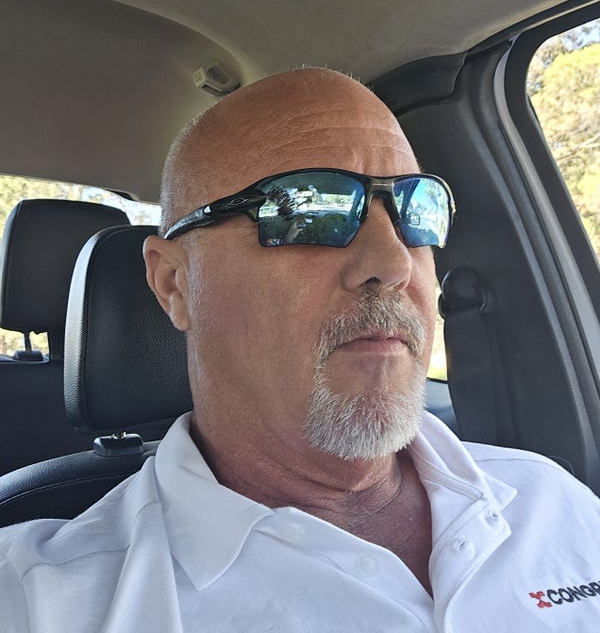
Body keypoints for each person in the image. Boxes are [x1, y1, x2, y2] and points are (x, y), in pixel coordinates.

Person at [1, 67, 600, 631]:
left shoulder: (556, 501)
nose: (394, 263)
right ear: (175, 284)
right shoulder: (42, 602)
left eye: (416, 210)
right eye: (309, 210)